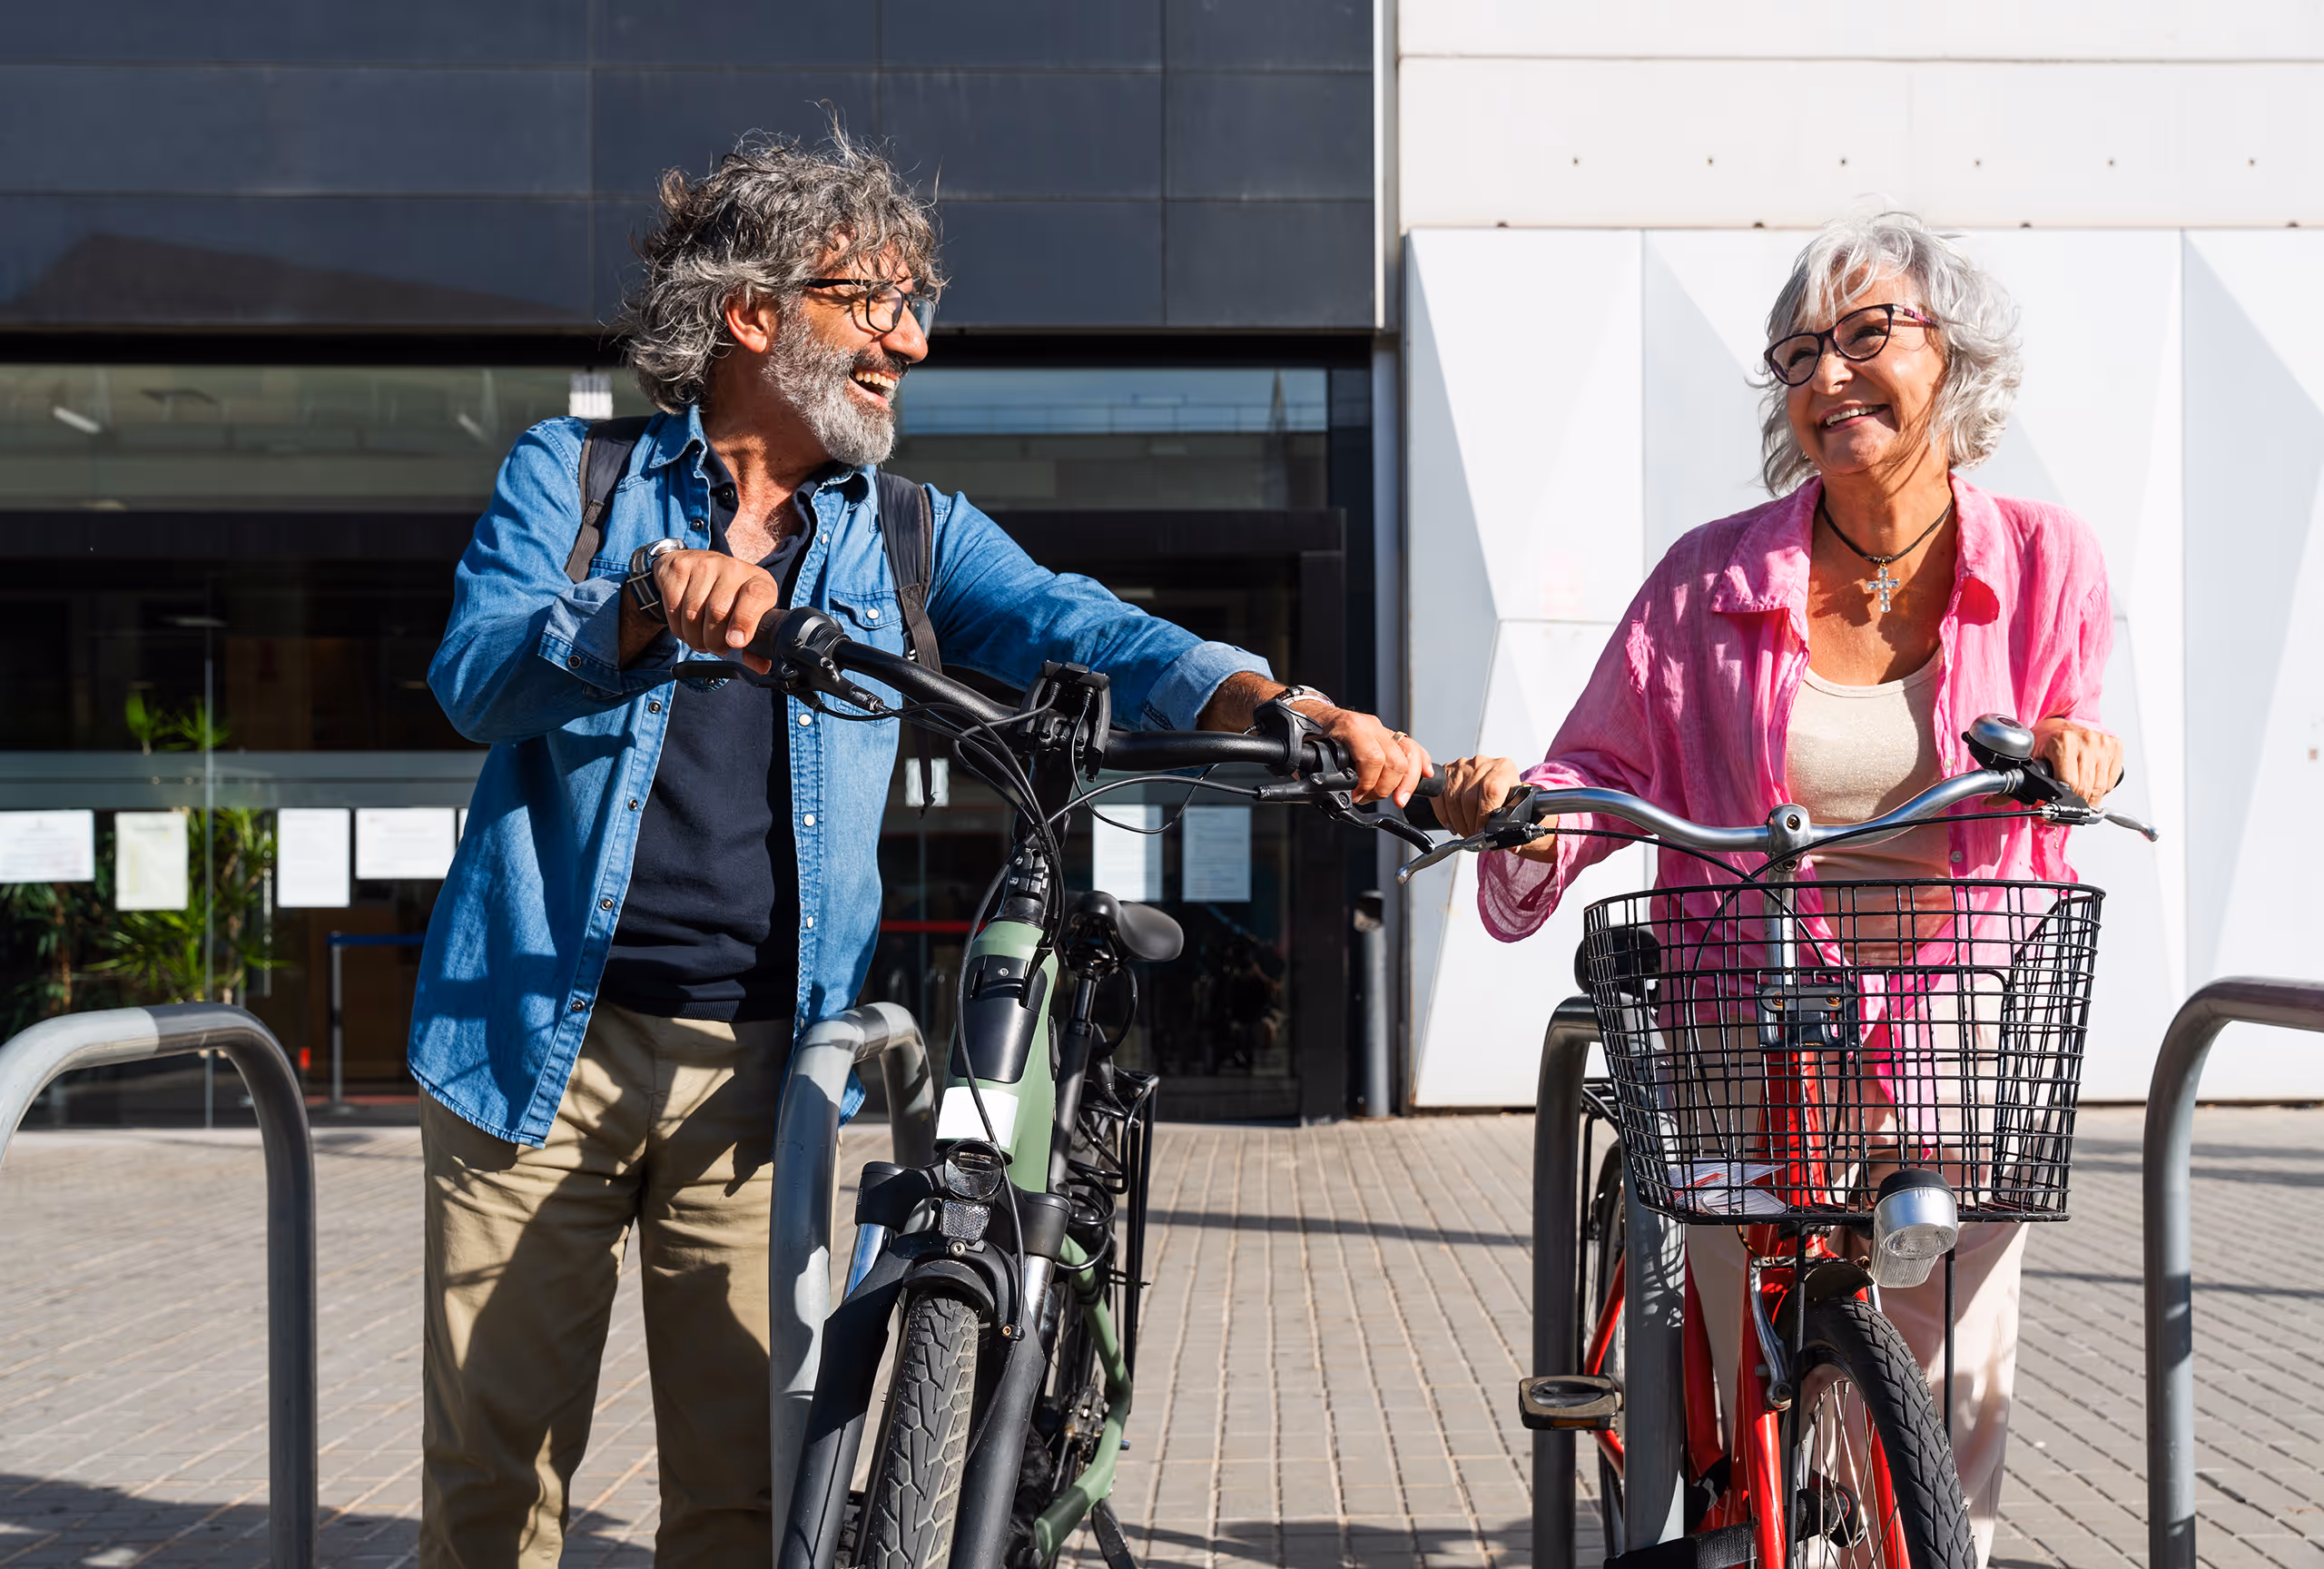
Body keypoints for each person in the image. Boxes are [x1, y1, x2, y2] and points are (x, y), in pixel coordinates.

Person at [412, 129, 1428, 1565]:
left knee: (744, 1501)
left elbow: (1086, 624)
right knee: (492, 1488)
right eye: (873, 303)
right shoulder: (575, 478)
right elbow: (476, 678)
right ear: (752, 312)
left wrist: (1280, 703)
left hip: (765, 1074)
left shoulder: (906, 535)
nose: (913, 342)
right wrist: (641, 605)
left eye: (916, 306)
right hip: (533, 1049)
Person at [1435, 209, 2120, 1564]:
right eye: (1801, 353)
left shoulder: (2048, 560)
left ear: (1954, 356)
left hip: (1953, 1019)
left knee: (1945, 1382)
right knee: (1739, 1339)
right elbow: (1598, 764)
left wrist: (2075, 753)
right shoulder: (1710, 576)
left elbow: (2069, 732)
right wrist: (1518, 813)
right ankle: (1730, 1498)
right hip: (1741, 1002)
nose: (1829, 375)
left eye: (1868, 335)